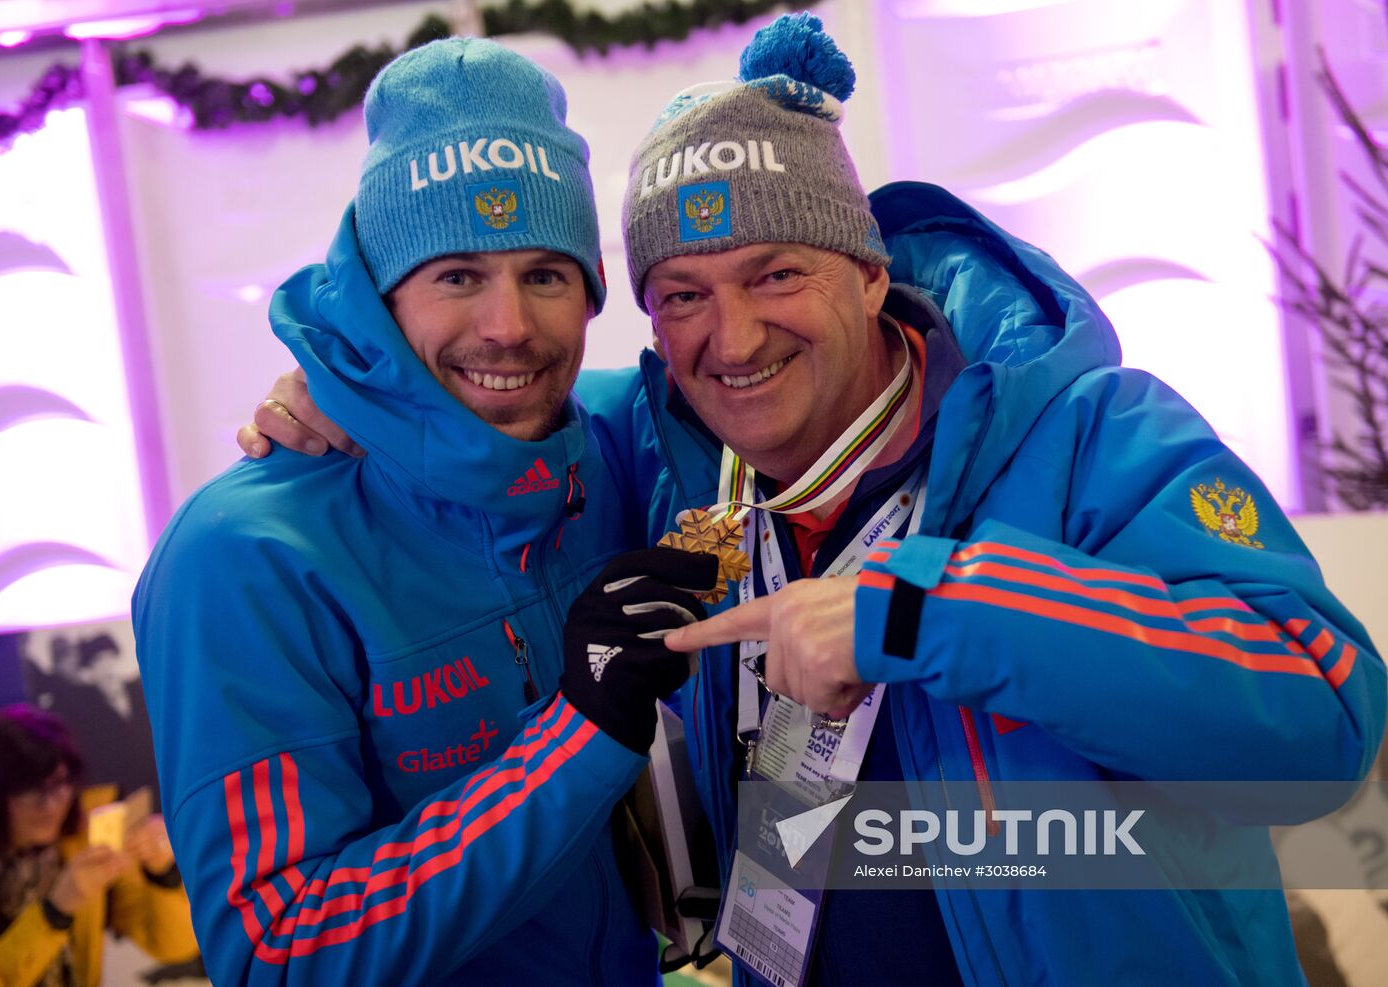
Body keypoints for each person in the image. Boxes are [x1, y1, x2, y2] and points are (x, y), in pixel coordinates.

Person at [241, 13, 1386, 985]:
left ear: (872, 273)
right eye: (681, 294)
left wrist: (926, 613)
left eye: (774, 274)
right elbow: (482, 396)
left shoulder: (1088, 435)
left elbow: (1321, 717)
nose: (729, 339)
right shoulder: (670, 456)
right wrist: (355, 393)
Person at [133, 37, 715, 985]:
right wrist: (578, 737)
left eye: (545, 273)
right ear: (380, 297)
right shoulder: (241, 559)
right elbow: (280, 950)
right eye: (457, 274)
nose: (509, 326)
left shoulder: (614, 439)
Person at [0, 703, 197, 987]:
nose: (49, 805)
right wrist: (56, 912)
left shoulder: (88, 833)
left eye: (59, 784)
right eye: (31, 789)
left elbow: (174, 946)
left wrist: (163, 873)